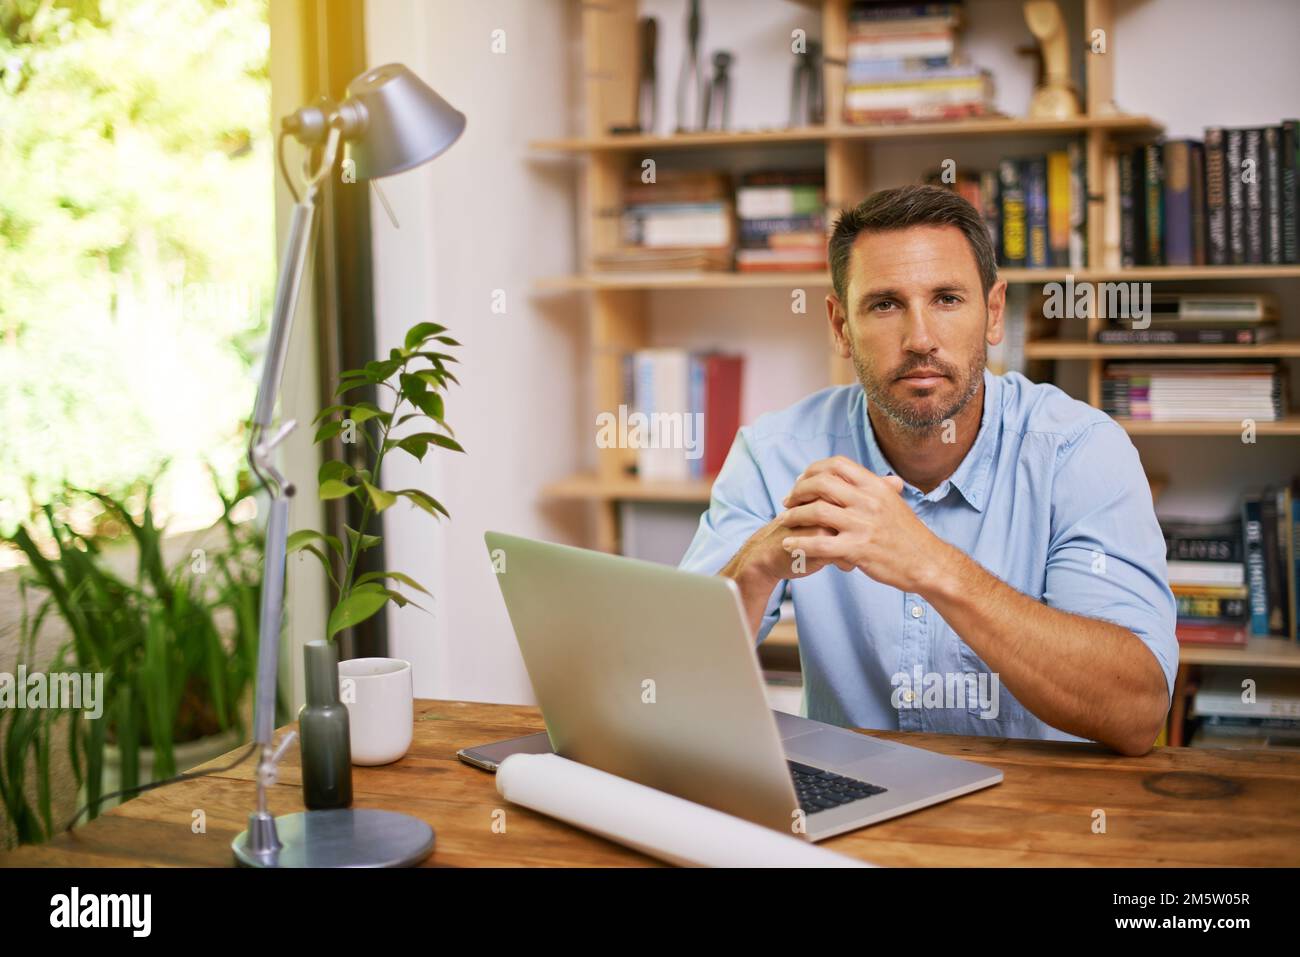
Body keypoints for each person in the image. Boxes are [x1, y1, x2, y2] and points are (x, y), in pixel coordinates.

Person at [679, 184, 1176, 756]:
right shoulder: (773, 453)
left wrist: (931, 564)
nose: (919, 340)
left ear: (993, 313)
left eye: (946, 299)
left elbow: (1137, 714)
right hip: (847, 810)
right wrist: (755, 568)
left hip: (1036, 816)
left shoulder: (1081, 452)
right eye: (885, 304)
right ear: (840, 326)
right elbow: (669, 690)